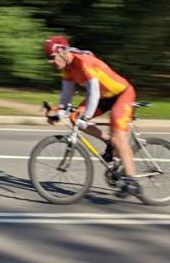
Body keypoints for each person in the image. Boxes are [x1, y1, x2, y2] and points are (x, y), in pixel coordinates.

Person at [43, 35, 141, 198]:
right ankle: (108, 142)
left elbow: (94, 92)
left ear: (61, 52)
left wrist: (87, 116)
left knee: (118, 137)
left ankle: (132, 180)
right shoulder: (67, 68)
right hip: (103, 97)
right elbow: (66, 95)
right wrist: (59, 114)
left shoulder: (83, 61)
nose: (50, 62)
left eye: (52, 57)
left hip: (121, 94)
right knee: (75, 117)